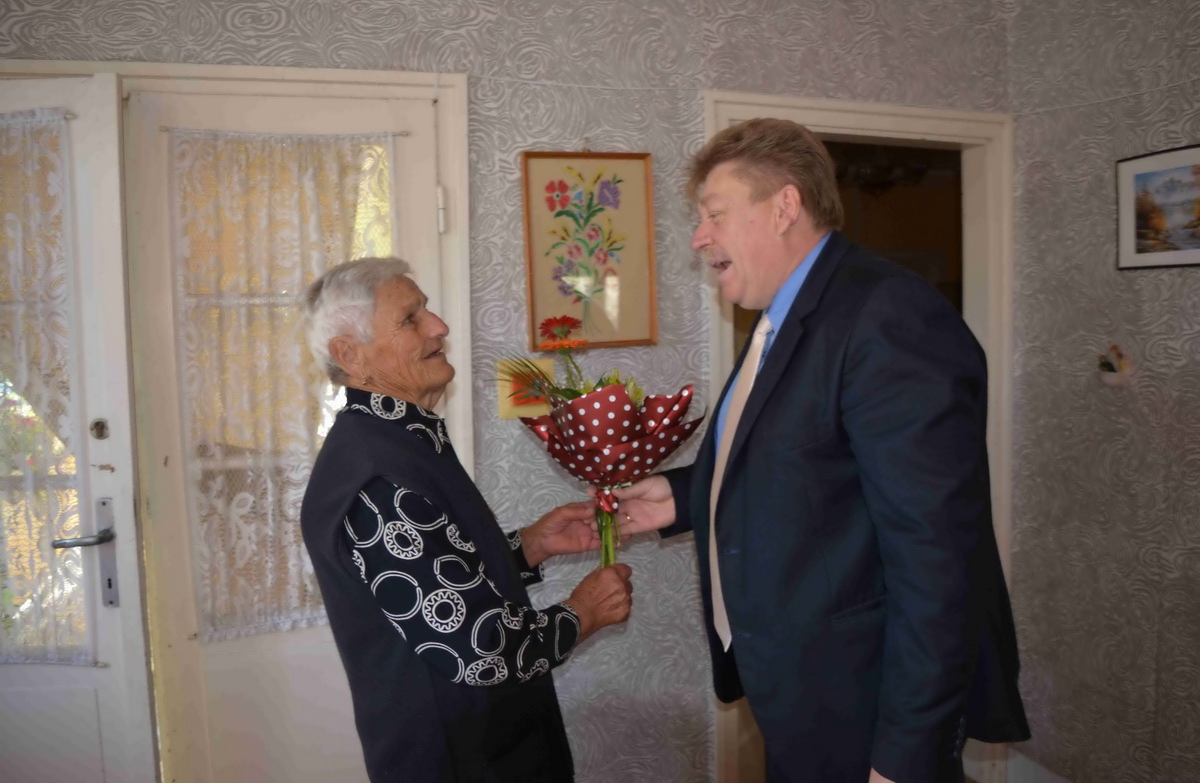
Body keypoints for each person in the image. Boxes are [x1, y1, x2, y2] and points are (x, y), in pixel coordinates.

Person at [613, 119, 1029, 783]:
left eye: (715, 215)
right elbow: (809, 460)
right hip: (799, 688)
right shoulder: (783, 315)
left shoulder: (887, 315)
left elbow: (937, 559)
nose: (699, 238)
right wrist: (685, 495)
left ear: (785, 207)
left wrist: (905, 754)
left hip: (864, 700)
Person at [299, 257, 632, 783]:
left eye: (426, 310)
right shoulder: (375, 478)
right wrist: (583, 613)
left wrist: (527, 547)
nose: (439, 326)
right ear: (350, 355)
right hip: (457, 760)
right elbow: (478, 647)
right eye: (411, 319)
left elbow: (435, 575)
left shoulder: (399, 435)